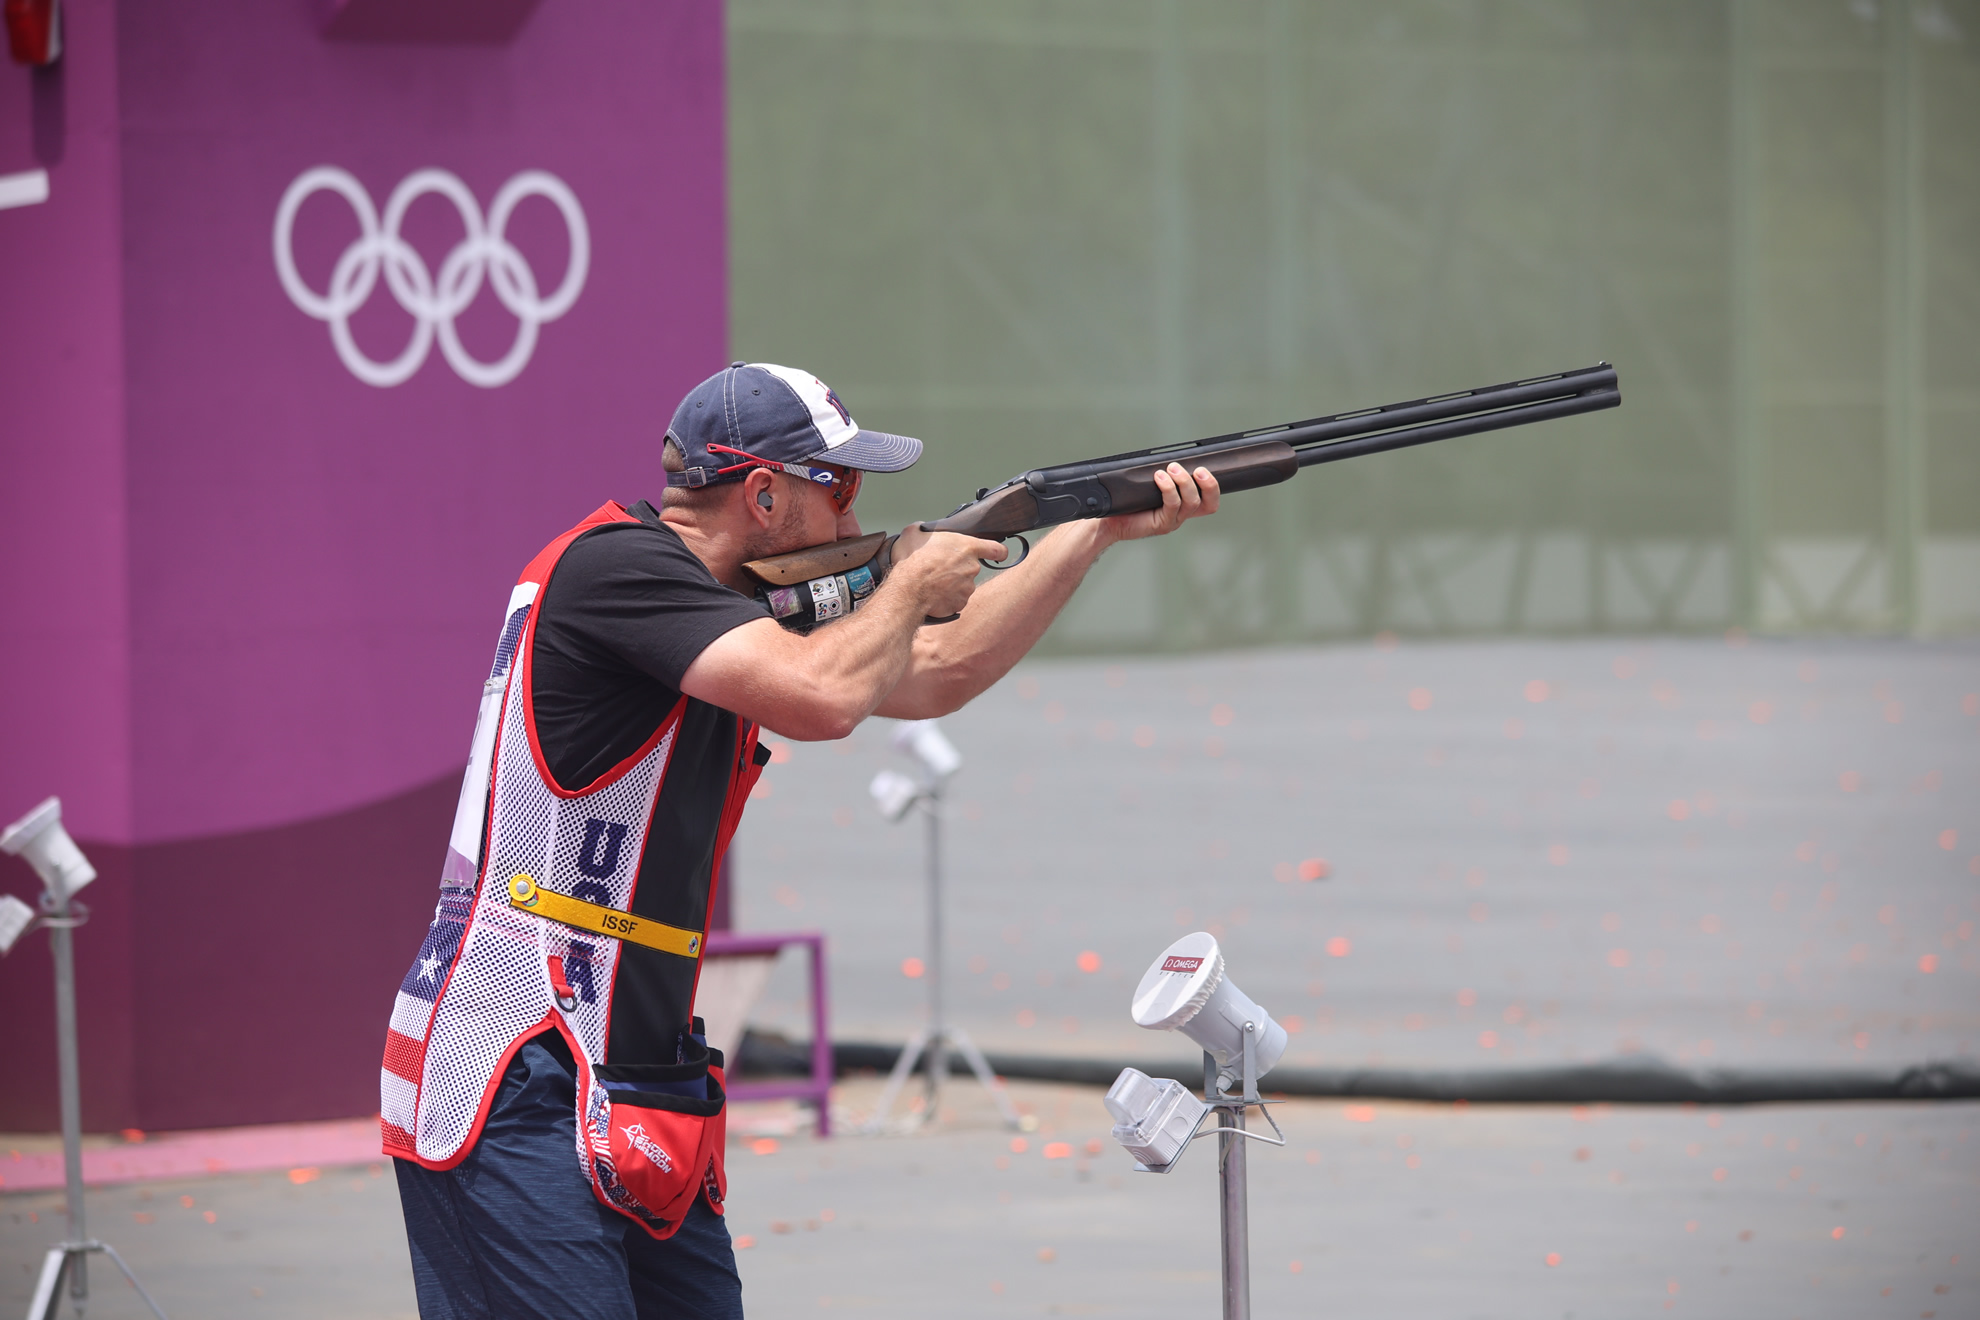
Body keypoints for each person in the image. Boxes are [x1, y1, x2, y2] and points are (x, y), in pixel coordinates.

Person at [379, 362, 1220, 1319]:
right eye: (840, 485)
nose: (853, 509)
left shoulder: (722, 606)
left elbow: (935, 671)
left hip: (638, 1069)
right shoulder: (614, 569)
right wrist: (905, 588)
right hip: (517, 1063)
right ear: (765, 494)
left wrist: (1092, 529)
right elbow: (824, 697)